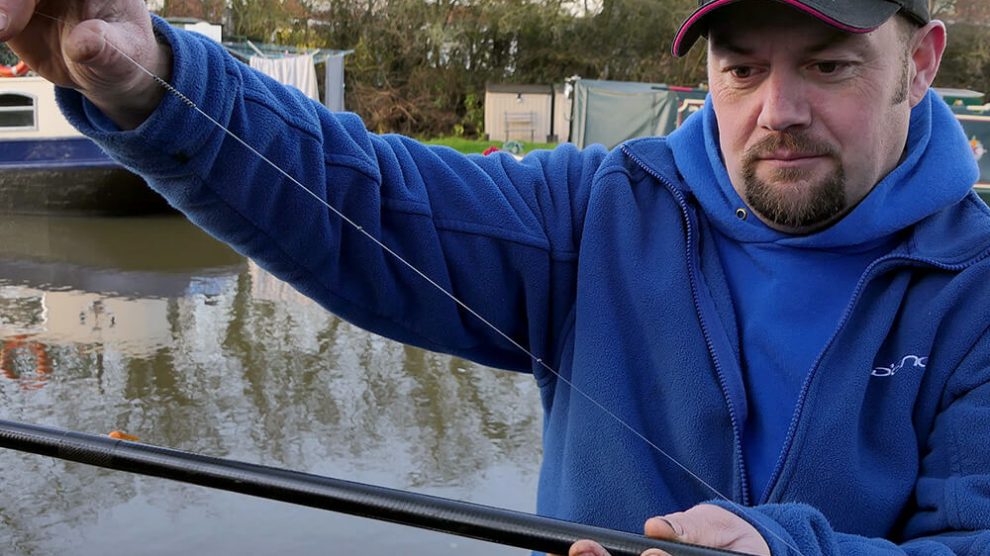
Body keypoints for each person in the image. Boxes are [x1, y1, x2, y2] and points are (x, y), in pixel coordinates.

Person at [2, 0, 989, 554]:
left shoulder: (976, 287)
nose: (778, 110)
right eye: (741, 70)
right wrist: (148, 79)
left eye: (829, 67)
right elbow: (363, 202)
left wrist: (788, 553)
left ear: (923, 58)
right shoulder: (598, 211)